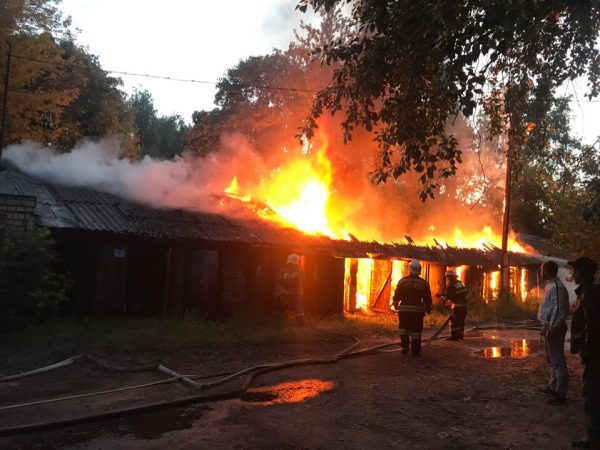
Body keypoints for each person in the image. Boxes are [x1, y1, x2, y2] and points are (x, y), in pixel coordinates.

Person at [569, 256, 600, 448]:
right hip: (595, 352)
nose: (572, 274)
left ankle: (594, 436)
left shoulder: (589, 294)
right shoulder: (589, 292)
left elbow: (593, 326)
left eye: (575, 271)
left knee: (591, 393)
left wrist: (587, 350)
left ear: (583, 273)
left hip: (595, 355)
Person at [537, 260, 570, 405]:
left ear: (547, 271)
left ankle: (560, 393)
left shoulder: (557, 287)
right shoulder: (550, 286)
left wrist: (551, 329)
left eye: (542, 270)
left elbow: (558, 312)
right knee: (551, 359)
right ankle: (553, 386)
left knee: (558, 361)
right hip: (549, 327)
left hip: (554, 329)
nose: (540, 272)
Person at [392, 259, 432, 357]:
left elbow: (397, 295)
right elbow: (427, 299)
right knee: (416, 331)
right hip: (417, 311)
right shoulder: (424, 283)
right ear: (419, 270)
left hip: (404, 310)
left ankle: (405, 347)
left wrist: (396, 303)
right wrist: (428, 308)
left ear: (410, 269)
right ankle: (415, 350)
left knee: (403, 329)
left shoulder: (402, 281)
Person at [277, 253, 306, 327]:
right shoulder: (300, 271)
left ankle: (277, 321)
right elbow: (304, 280)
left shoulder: (284, 270)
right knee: (299, 309)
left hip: (286, 293)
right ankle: (301, 324)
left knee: (281, 306)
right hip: (298, 293)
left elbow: (280, 281)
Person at [441, 270, 469, 341]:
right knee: (461, 321)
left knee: (454, 321)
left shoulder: (451, 285)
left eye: (447, 277)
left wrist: (443, 297)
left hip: (457, 307)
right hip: (464, 306)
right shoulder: (461, 283)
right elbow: (466, 292)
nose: (447, 279)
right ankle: (460, 336)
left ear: (449, 277)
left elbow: (448, 297)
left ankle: (454, 337)